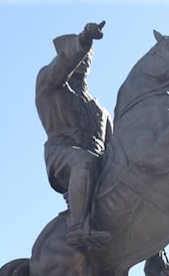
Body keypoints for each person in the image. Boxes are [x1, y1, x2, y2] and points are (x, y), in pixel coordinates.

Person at [36, 21, 113, 250]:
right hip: (63, 154)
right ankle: (78, 228)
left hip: (100, 160)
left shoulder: (100, 108)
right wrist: (83, 41)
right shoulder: (49, 84)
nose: (85, 59)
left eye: (88, 56)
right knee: (84, 161)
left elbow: (113, 145)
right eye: (82, 54)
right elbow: (62, 65)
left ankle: (156, 257)